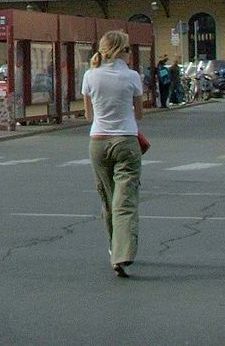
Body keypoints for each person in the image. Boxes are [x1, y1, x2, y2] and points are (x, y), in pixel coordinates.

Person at [81, 30, 144, 278]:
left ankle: (113, 247)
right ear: (121, 52)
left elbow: (88, 116)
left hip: (98, 141)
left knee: (107, 198)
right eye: (128, 50)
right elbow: (138, 114)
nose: (130, 54)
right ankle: (122, 253)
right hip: (126, 140)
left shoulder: (90, 76)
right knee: (125, 200)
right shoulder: (132, 77)